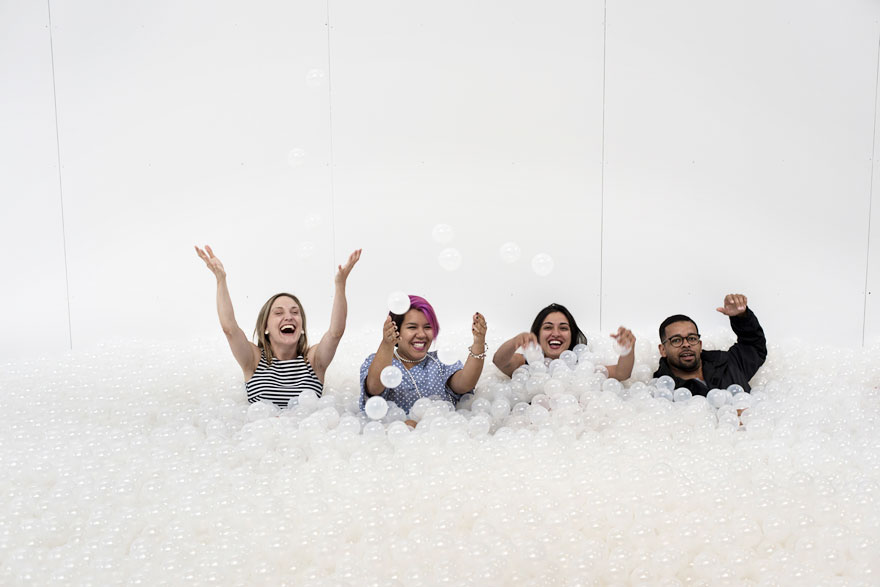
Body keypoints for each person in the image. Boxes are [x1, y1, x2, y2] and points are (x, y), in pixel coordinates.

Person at [195, 245, 361, 408]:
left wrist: (340, 285)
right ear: (265, 327)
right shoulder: (253, 360)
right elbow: (230, 329)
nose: (288, 317)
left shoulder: (313, 361)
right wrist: (221, 280)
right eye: (279, 313)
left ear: (302, 327)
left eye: (295, 312)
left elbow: (335, 333)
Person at [360, 295, 487, 417]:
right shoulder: (380, 361)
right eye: (412, 327)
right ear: (396, 330)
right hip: (398, 429)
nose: (421, 334)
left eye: (427, 327)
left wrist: (478, 342)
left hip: (443, 428)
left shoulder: (440, 361)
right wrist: (387, 344)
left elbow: (464, 384)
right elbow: (374, 388)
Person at [654, 293, 767, 396]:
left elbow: (754, 347)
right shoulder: (662, 391)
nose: (686, 344)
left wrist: (741, 317)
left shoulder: (728, 363)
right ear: (663, 350)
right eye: (676, 340)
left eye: (692, 338)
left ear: (700, 345)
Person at [493, 302, 636, 380]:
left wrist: (628, 349)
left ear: (572, 335)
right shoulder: (526, 363)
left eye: (563, 328)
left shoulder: (582, 366)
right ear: (537, 334)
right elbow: (499, 361)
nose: (556, 334)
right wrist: (515, 341)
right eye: (548, 327)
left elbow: (621, 373)